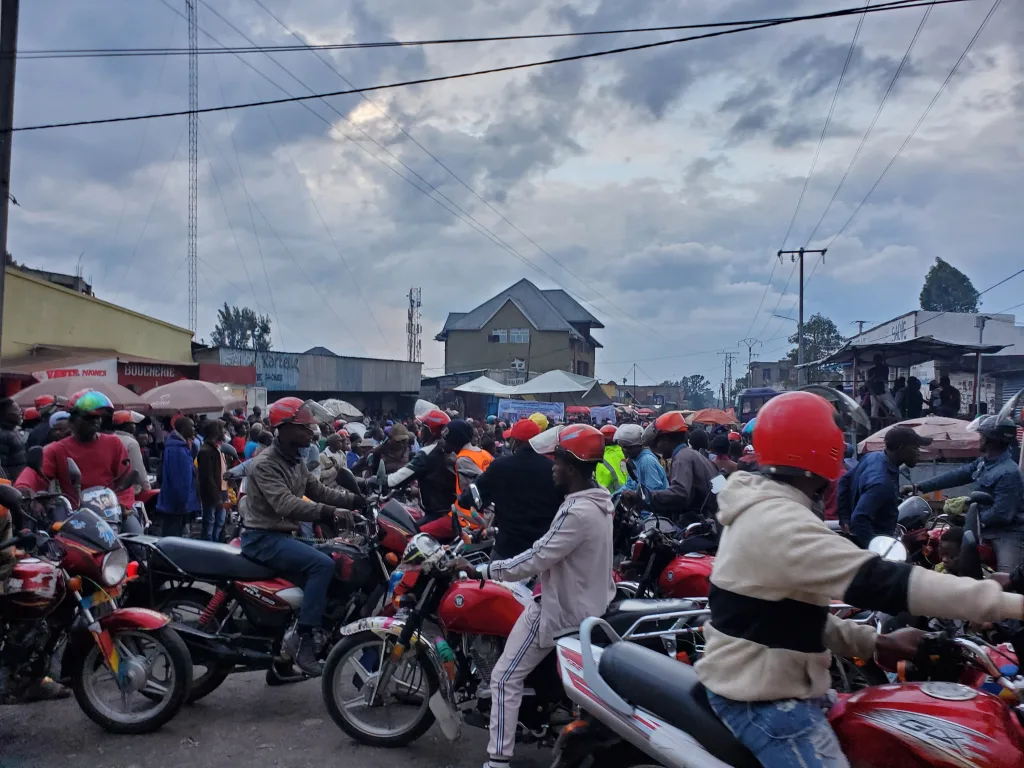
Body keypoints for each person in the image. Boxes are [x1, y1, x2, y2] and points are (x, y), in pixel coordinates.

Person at [695, 390, 1024, 768]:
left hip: (781, 682)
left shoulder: (767, 509)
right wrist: (1012, 604)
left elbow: (791, 616)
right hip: (763, 701)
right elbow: (891, 583)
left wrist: (876, 642)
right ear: (822, 447)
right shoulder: (778, 523)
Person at [451, 425, 615, 768]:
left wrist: (483, 571)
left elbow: (538, 556)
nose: (551, 467)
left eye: (555, 460)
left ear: (570, 466)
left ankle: (497, 761)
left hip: (559, 607)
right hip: (587, 602)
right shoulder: (599, 502)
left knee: (504, 677)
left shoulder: (576, 511)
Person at [240, 398, 365, 676]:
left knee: (337, 555)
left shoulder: (295, 460)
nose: (312, 432)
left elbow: (320, 490)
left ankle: (283, 661)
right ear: (284, 429)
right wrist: (330, 513)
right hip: (263, 538)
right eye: (304, 427)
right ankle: (303, 640)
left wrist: (358, 500)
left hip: (283, 537)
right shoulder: (265, 464)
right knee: (322, 565)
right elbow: (285, 504)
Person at [906, 416, 1024, 572]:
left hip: (1005, 534)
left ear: (991, 440)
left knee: (1006, 577)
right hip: (981, 528)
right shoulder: (984, 463)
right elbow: (957, 475)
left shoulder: (1009, 472)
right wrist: (920, 487)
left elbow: (1002, 514)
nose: (979, 439)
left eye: (982, 436)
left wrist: (971, 517)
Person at [457, 418, 564, 560]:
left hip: (507, 549)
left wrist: (464, 498)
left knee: (489, 578)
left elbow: (470, 497)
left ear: (516, 441)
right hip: (543, 551)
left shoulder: (501, 466)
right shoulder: (552, 468)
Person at [21, 392, 132, 507]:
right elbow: (32, 476)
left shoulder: (114, 443)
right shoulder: (57, 449)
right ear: (72, 421)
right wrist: (23, 489)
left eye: (97, 417)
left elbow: (125, 481)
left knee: (133, 525)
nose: (95, 421)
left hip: (112, 510)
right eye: (88, 417)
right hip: (75, 514)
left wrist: (122, 505)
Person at [839, 426, 932, 548]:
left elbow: (844, 481)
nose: (919, 452)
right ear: (901, 449)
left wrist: (844, 517)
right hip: (874, 541)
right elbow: (859, 519)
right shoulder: (881, 483)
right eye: (915, 448)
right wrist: (879, 551)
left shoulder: (873, 457)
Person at [646, 411, 718, 527]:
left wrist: (648, 496)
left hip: (701, 523)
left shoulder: (682, 458)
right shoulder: (693, 454)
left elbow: (680, 493)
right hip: (712, 521)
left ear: (665, 440)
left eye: (657, 442)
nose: (657, 447)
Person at [385, 409, 455, 524]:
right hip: (447, 510)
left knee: (405, 536)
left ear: (430, 431)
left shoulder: (427, 453)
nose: (420, 430)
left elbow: (397, 479)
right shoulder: (447, 450)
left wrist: (379, 481)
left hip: (436, 514)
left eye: (422, 427)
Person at [155, 416, 199, 537]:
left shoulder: (179, 446)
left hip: (177, 501)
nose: (194, 429)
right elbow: (181, 480)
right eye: (192, 426)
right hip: (177, 503)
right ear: (183, 429)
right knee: (173, 535)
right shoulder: (178, 449)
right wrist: (183, 503)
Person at [111, 410, 152, 524]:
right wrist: (147, 487)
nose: (134, 426)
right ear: (126, 425)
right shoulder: (131, 443)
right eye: (132, 423)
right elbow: (137, 469)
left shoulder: (110, 438)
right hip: (128, 493)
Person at [614, 423, 668, 500]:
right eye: (622, 447)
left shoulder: (647, 462)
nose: (624, 451)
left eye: (628, 447)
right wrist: (612, 497)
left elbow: (653, 493)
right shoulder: (634, 460)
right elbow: (630, 485)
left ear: (639, 445)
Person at [197, 420, 227, 542]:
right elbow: (207, 477)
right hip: (213, 494)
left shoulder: (218, 448)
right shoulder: (206, 451)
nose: (225, 432)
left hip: (222, 490)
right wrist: (216, 497)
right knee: (210, 523)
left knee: (219, 523)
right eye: (222, 429)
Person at [594, 424, 627, 493]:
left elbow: (601, 487)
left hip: (613, 499)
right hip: (631, 494)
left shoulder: (602, 461)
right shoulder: (625, 452)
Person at [866, 354, 900, 420]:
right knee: (874, 412)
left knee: (893, 407)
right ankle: (874, 426)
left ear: (880, 360)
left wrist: (874, 379)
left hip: (884, 392)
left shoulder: (885, 368)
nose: (876, 361)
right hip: (874, 393)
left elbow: (883, 377)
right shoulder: (871, 370)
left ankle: (899, 421)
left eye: (878, 360)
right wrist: (873, 379)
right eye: (875, 360)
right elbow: (869, 381)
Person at [0, 397, 25, 481]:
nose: (20, 413)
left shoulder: (13, 431)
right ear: (7, 414)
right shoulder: (3, 435)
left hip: (19, 480)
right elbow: (2, 466)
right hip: (11, 485)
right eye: (16, 411)